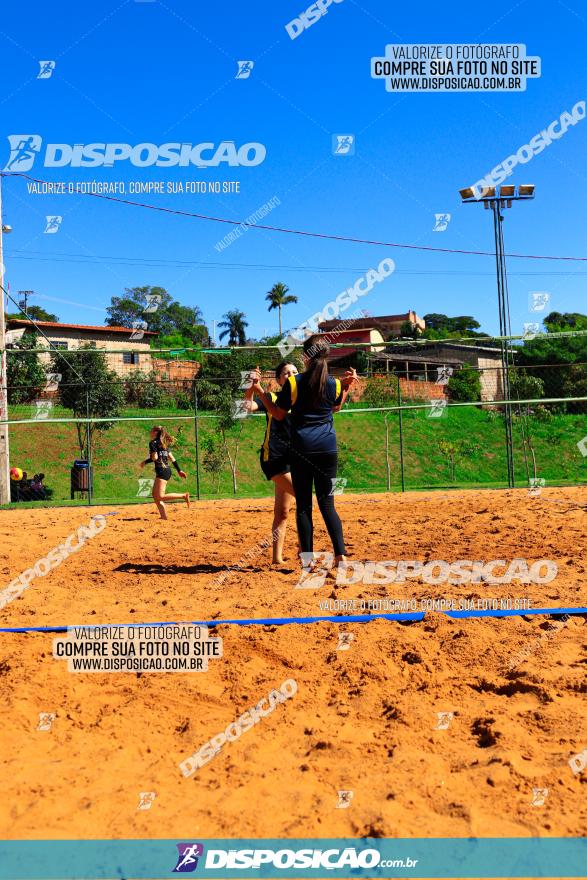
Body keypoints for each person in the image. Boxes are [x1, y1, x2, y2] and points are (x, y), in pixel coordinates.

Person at [250, 336, 357, 567]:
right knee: (328, 505)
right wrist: (346, 386)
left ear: (305, 357)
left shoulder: (295, 383)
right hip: (328, 448)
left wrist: (260, 392)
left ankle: (307, 561)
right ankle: (341, 556)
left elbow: (279, 414)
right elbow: (336, 407)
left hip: (302, 450)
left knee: (305, 507)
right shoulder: (334, 383)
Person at [244, 362, 298, 565]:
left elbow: (333, 408)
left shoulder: (301, 401)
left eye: (294, 372)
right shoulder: (273, 398)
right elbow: (246, 407)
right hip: (273, 459)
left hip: (294, 461)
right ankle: (305, 550)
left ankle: (276, 558)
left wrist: (345, 388)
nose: (290, 375)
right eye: (286, 373)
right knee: (304, 498)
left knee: (282, 512)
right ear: (278, 380)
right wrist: (252, 386)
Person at [139, 426, 189, 520]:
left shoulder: (153, 443)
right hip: (165, 471)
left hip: (162, 471)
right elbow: (172, 459)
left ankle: (183, 496)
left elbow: (155, 458)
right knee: (155, 495)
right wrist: (179, 470)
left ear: (155, 432)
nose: (150, 433)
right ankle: (163, 516)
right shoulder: (164, 444)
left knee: (160, 496)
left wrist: (146, 461)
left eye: (151, 431)